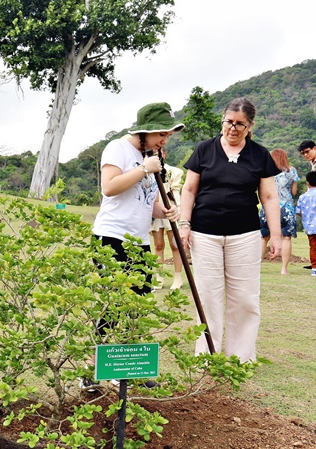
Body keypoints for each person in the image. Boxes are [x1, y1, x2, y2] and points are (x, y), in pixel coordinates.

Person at [85, 102, 181, 393]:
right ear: (145, 131)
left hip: (139, 241)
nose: (165, 139)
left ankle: (128, 371)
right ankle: (90, 372)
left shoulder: (149, 156)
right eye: (161, 133)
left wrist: (164, 212)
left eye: (168, 134)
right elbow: (110, 188)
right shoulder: (119, 149)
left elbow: (145, 201)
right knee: (112, 307)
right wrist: (143, 169)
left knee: (136, 307)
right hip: (112, 238)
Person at [179, 97, 281, 363]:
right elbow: (189, 190)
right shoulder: (204, 149)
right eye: (229, 122)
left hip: (245, 234)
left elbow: (269, 197)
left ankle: (241, 357)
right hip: (205, 234)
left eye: (240, 124)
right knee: (208, 297)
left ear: (250, 126)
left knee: (245, 298)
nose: (233, 128)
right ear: (222, 121)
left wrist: (276, 235)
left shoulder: (260, 154)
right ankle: (206, 356)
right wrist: (184, 224)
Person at [149, 147, 185, 290]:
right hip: (155, 210)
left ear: (164, 153)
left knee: (175, 244)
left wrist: (179, 211)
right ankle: (159, 277)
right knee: (158, 245)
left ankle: (178, 277)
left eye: (159, 152)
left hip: (170, 208)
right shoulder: (147, 171)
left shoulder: (172, 172)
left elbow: (175, 193)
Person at [259, 149, 299, 275]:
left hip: (268, 207)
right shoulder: (291, 171)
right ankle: (284, 269)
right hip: (286, 207)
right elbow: (293, 193)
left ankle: (258, 266)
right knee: (286, 238)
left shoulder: (265, 170)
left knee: (263, 237)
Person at [295, 171, 316, 276]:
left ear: (307, 183)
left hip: (310, 227)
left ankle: (314, 268)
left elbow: (298, 212)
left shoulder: (303, 197)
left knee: (313, 247)